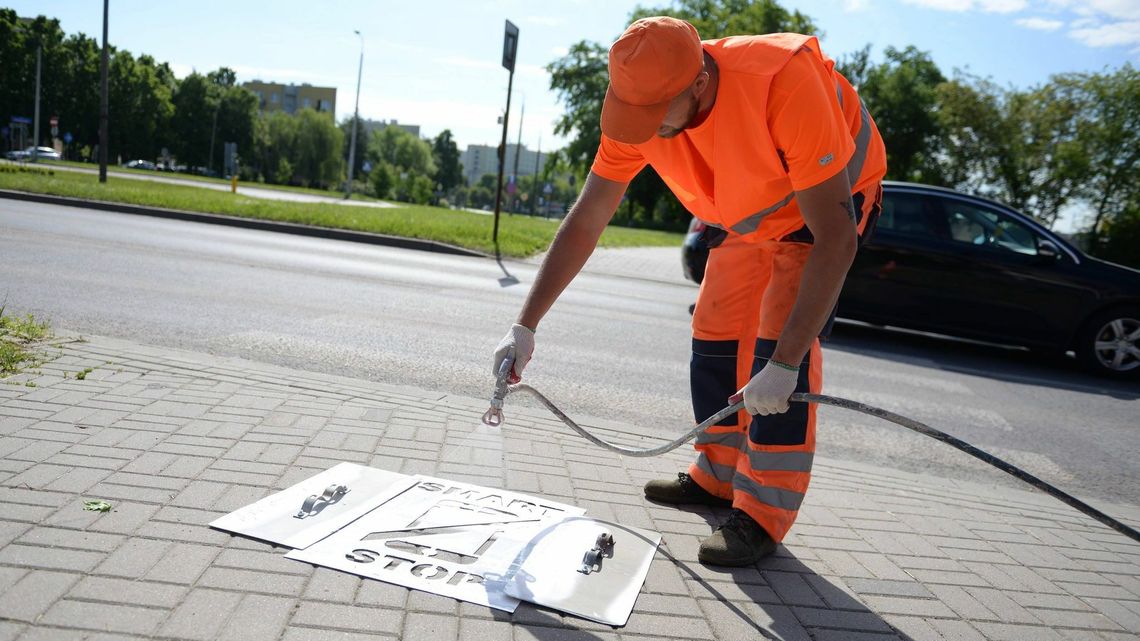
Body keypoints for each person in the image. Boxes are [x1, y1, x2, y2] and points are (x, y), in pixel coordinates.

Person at [493, 16, 887, 566]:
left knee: (775, 347)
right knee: (716, 332)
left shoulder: (782, 79)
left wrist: (786, 363)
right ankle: (716, 476)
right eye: (634, 115)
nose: (644, 130)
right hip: (750, 212)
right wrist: (526, 324)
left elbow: (836, 237)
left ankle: (760, 515)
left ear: (699, 82)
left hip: (823, 208)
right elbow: (588, 218)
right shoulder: (640, 104)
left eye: (656, 117)